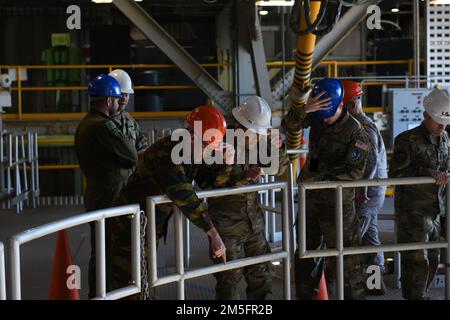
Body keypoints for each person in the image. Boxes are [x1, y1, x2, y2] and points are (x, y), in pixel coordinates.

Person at [108, 105, 229, 296]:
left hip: (147, 224)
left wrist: (224, 164)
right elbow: (184, 194)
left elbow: (206, 182)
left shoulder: (190, 151)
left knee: (143, 277)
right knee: (129, 282)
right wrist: (213, 232)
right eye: (207, 147)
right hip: (129, 226)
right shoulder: (168, 153)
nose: (208, 153)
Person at [282, 78, 370, 300]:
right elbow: (288, 126)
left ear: (341, 106)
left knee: (348, 262)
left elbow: (355, 172)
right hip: (311, 202)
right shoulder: (319, 117)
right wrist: (305, 109)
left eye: (328, 115)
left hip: (337, 206)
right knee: (306, 256)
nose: (324, 120)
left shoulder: (356, 132)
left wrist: (319, 176)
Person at [200, 96, 289, 300]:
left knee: (262, 276)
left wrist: (279, 146)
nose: (259, 136)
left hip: (254, 224)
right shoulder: (218, 142)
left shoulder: (258, 140)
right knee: (229, 280)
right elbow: (211, 184)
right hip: (227, 226)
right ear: (239, 125)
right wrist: (243, 177)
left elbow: (280, 167)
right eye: (255, 132)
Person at [75, 74, 138, 298]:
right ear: (109, 100)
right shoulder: (103, 126)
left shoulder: (87, 123)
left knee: (102, 252)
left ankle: (101, 294)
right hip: (109, 197)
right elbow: (132, 156)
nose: (119, 102)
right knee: (108, 253)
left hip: (98, 194)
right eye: (116, 98)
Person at [390, 86, 450, 300]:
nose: (442, 127)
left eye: (445, 123)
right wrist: (426, 173)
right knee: (416, 262)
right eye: (438, 122)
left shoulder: (445, 139)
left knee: (433, 259)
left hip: (436, 211)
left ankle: (422, 295)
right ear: (425, 115)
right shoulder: (407, 140)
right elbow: (396, 173)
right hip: (412, 212)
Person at [341, 80, 388, 295]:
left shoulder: (363, 127)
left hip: (368, 193)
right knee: (370, 236)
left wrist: (362, 189)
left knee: (354, 238)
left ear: (350, 104)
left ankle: (355, 283)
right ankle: (375, 283)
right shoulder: (359, 124)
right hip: (371, 190)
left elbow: (370, 161)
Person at [108, 69, 149, 156]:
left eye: (126, 94)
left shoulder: (129, 120)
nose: (124, 98)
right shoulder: (102, 121)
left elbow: (143, 145)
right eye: (120, 94)